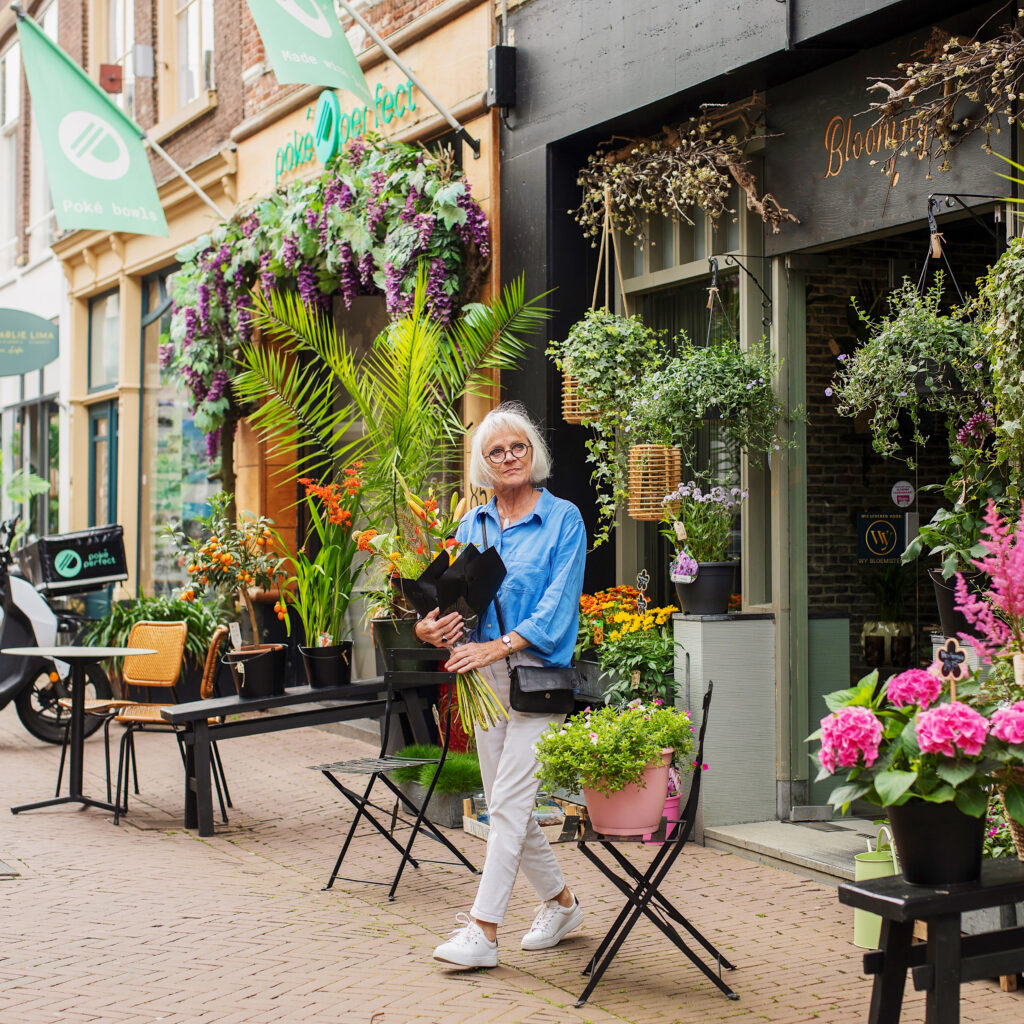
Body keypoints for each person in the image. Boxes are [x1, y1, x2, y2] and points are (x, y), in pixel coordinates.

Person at [414, 400, 587, 969]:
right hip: (481, 682)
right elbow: (453, 602)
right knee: (505, 804)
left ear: (533, 453)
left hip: (536, 679)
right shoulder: (474, 523)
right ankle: (562, 905)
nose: (508, 457)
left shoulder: (563, 519)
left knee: (510, 802)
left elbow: (558, 610)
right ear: (482, 465)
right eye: (496, 451)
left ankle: (482, 931)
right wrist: (430, 625)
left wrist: (500, 644)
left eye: (518, 447)